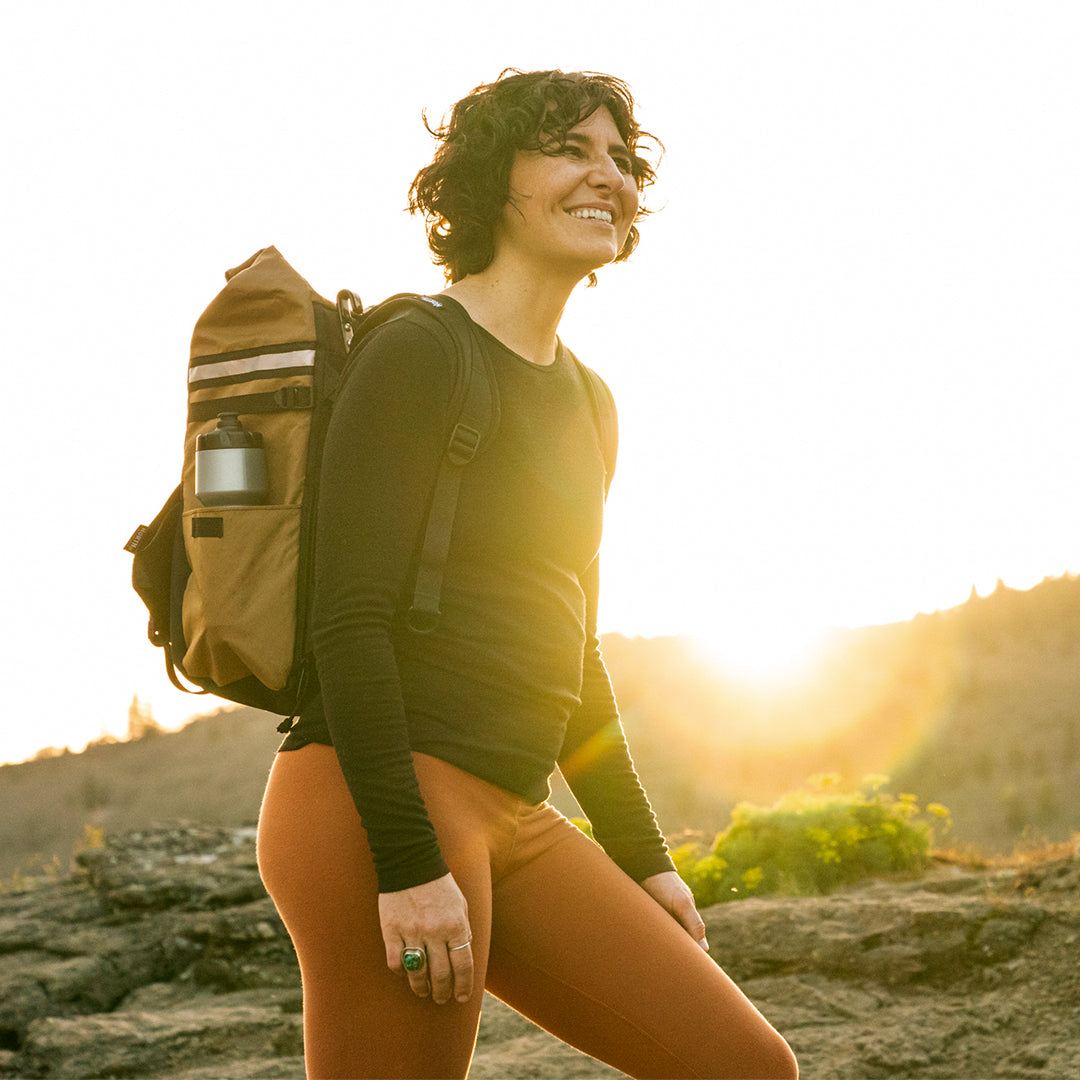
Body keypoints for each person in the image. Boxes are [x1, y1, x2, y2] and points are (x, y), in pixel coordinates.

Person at [256, 68, 798, 1080]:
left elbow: (570, 645)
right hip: (378, 812)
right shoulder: (418, 349)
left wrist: (644, 859)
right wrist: (410, 866)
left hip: (518, 810)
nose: (609, 176)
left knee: (743, 1065)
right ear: (489, 179)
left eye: (620, 158)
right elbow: (350, 619)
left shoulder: (589, 402)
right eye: (569, 148)